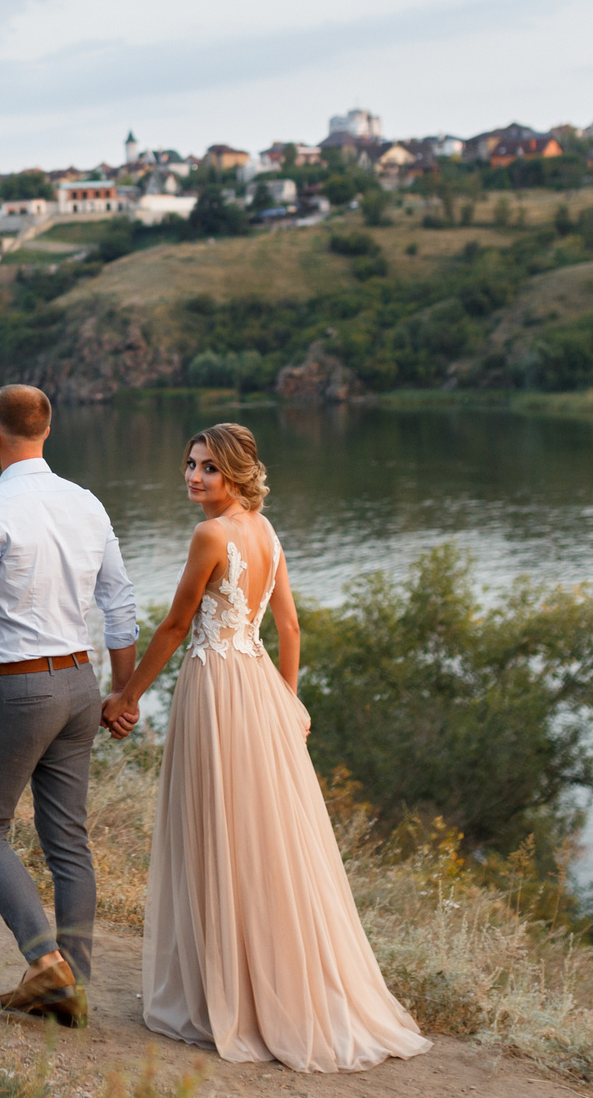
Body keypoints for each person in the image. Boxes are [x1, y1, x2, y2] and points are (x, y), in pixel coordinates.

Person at [101, 423, 428, 1073]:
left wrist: (127, 694)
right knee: (260, 835)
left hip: (217, 693)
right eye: (190, 464)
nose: (194, 477)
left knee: (218, 831)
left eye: (208, 468)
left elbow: (174, 624)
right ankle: (253, 985)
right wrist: (287, 697)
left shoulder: (211, 534)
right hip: (253, 687)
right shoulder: (266, 529)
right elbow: (287, 624)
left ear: (235, 474)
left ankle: (231, 995)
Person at [0, 383, 139, 1029]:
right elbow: (120, 601)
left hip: (19, 687)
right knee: (67, 839)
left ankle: (46, 963)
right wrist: (122, 692)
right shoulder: (85, 503)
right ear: (44, 431)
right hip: (79, 684)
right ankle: (70, 978)